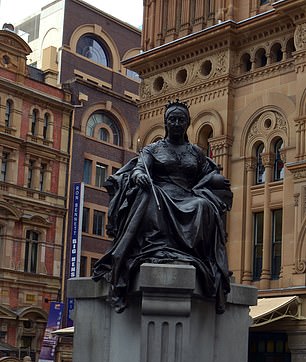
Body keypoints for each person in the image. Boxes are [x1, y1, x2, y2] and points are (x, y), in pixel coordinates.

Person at [92, 100, 233, 314]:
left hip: (189, 195)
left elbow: (207, 174)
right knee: (149, 196)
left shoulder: (195, 152)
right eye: (172, 119)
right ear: (166, 123)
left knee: (204, 205)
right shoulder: (153, 149)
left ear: (187, 124)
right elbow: (141, 168)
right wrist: (139, 176)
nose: (176, 123)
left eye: (181, 120)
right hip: (159, 193)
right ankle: (156, 248)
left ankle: (187, 253)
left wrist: (216, 180)